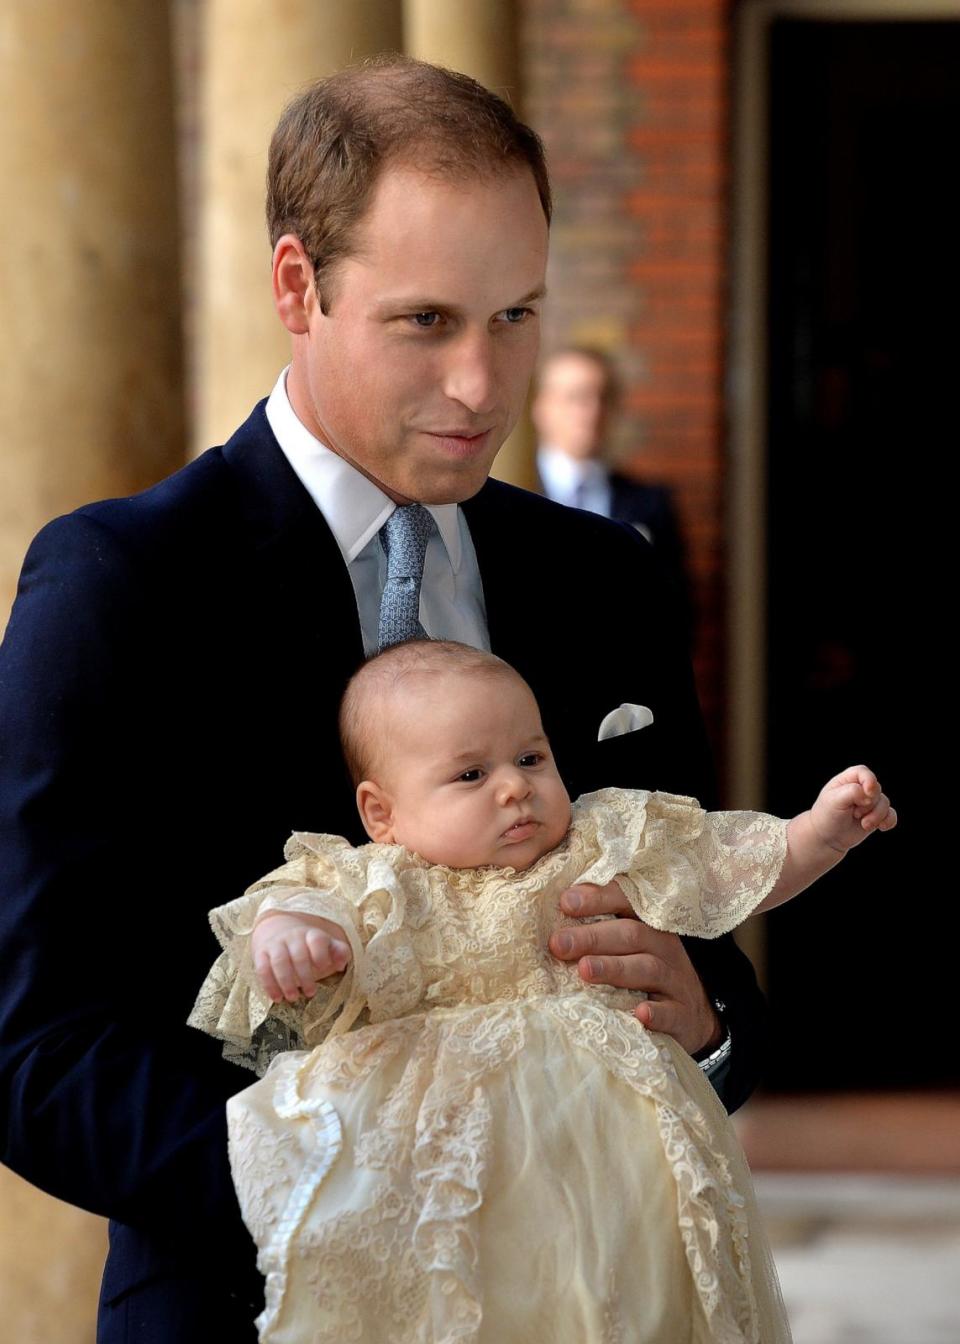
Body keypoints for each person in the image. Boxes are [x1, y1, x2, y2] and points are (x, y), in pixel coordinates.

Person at [0, 57, 766, 1342]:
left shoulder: (605, 580)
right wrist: (348, 1188)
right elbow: (36, 1047)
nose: (484, 384)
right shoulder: (116, 585)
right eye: (428, 322)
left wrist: (705, 1026)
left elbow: (701, 930)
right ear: (298, 286)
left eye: (516, 316)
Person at [189, 639, 895, 1344]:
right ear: (381, 814)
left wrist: (817, 836)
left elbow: (723, 866)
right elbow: (293, 904)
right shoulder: (382, 883)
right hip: (454, 1172)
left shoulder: (599, 842)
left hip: (619, 1165)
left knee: (647, 1303)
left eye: (530, 758)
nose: (514, 787)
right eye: (470, 773)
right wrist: (293, 932)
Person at [532, 346, 691, 622]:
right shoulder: (499, 495)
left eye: (603, 398)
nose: (592, 411)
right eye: (576, 397)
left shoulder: (650, 503)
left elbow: (676, 612)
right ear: (542, 408)